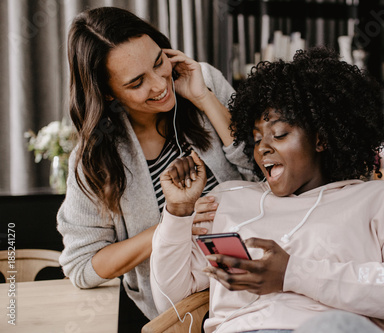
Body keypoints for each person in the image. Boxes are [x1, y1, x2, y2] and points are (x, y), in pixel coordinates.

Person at [150, 47, 384, 333]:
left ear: (321, 139)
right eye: (257, 139)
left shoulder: (380, 200)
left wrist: (294, 274)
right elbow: (169, 301)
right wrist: (176, 214)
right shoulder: (229, 199)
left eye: (280, 134)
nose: (263, 150)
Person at [57, 6, 254, 325]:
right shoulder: (95, 158)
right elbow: (83, 266)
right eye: (136, 83)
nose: (160, 84)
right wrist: (173, 224)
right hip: (186, 313)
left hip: (261, 279)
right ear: (108, 94)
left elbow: (263, 168)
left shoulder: (203, 81)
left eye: (159, 61)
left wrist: (203, 98)